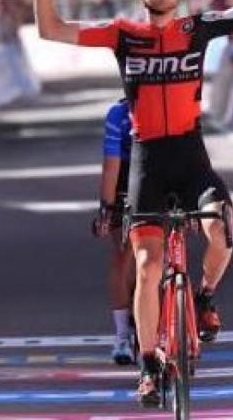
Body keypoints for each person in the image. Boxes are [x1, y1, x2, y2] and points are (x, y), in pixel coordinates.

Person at [33, 0, 233, 407]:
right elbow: (51, 29)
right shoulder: (122, 34)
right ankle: (149, 365)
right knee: (146, 267)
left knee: (221, 230)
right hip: (146, 158)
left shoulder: (198, 28)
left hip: (190, 153)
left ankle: (204, 296)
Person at [90, 98, 136, 365]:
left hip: (159, 173)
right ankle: (122, 334)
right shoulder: (119, 114)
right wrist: (107, 210)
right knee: (123, 251)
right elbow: (112, 167)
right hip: (126, 180)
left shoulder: (121, 112)